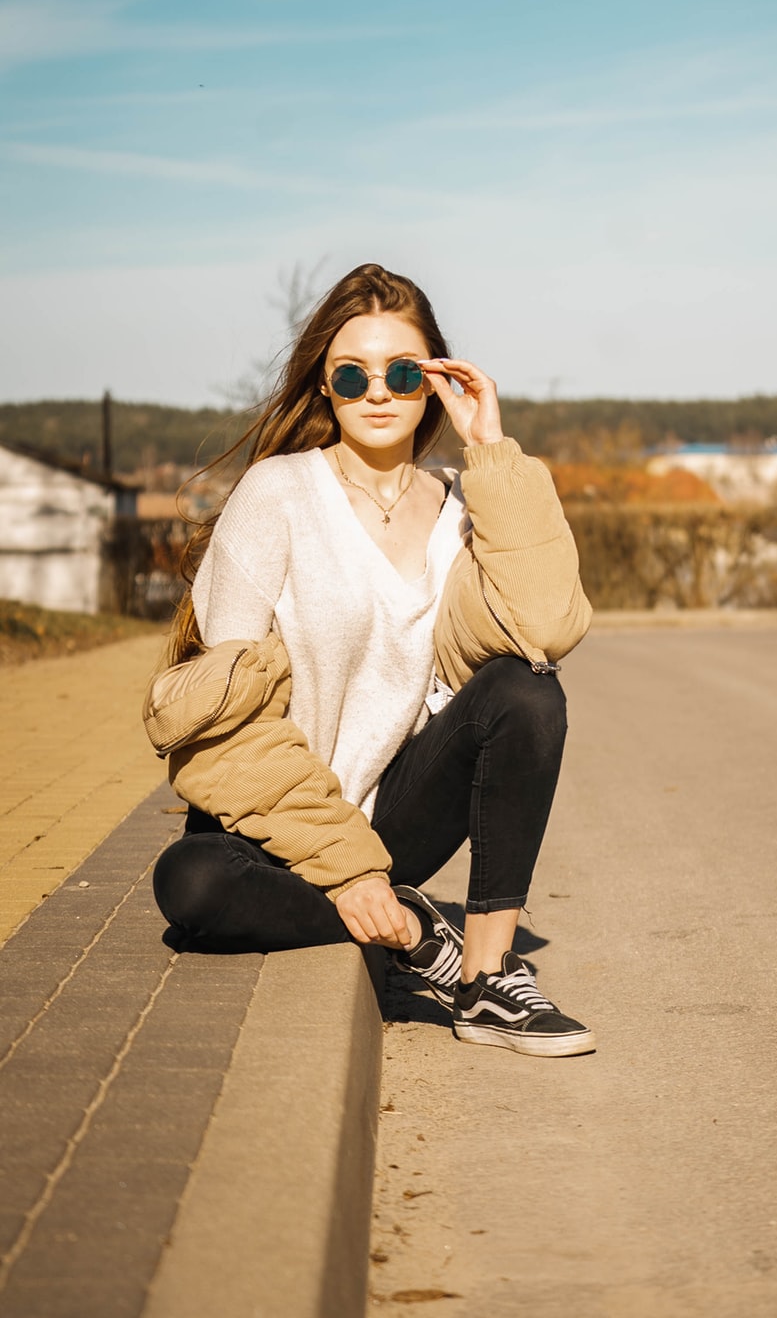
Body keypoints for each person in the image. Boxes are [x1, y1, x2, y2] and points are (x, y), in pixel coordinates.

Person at [150, 261, 595, 1057]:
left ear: (435, 381)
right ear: (325, 388)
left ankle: (488, 978)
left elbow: (545, 628)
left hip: (389, 818)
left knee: (527, 693)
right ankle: (413, 929)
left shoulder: (464, 505)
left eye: (401, 372)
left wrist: (491, 452)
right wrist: (350, 872)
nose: (378, 392)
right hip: (275, 821)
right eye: (352, 375)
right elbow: (230, 720)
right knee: (193, 883)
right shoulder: (275, 494)